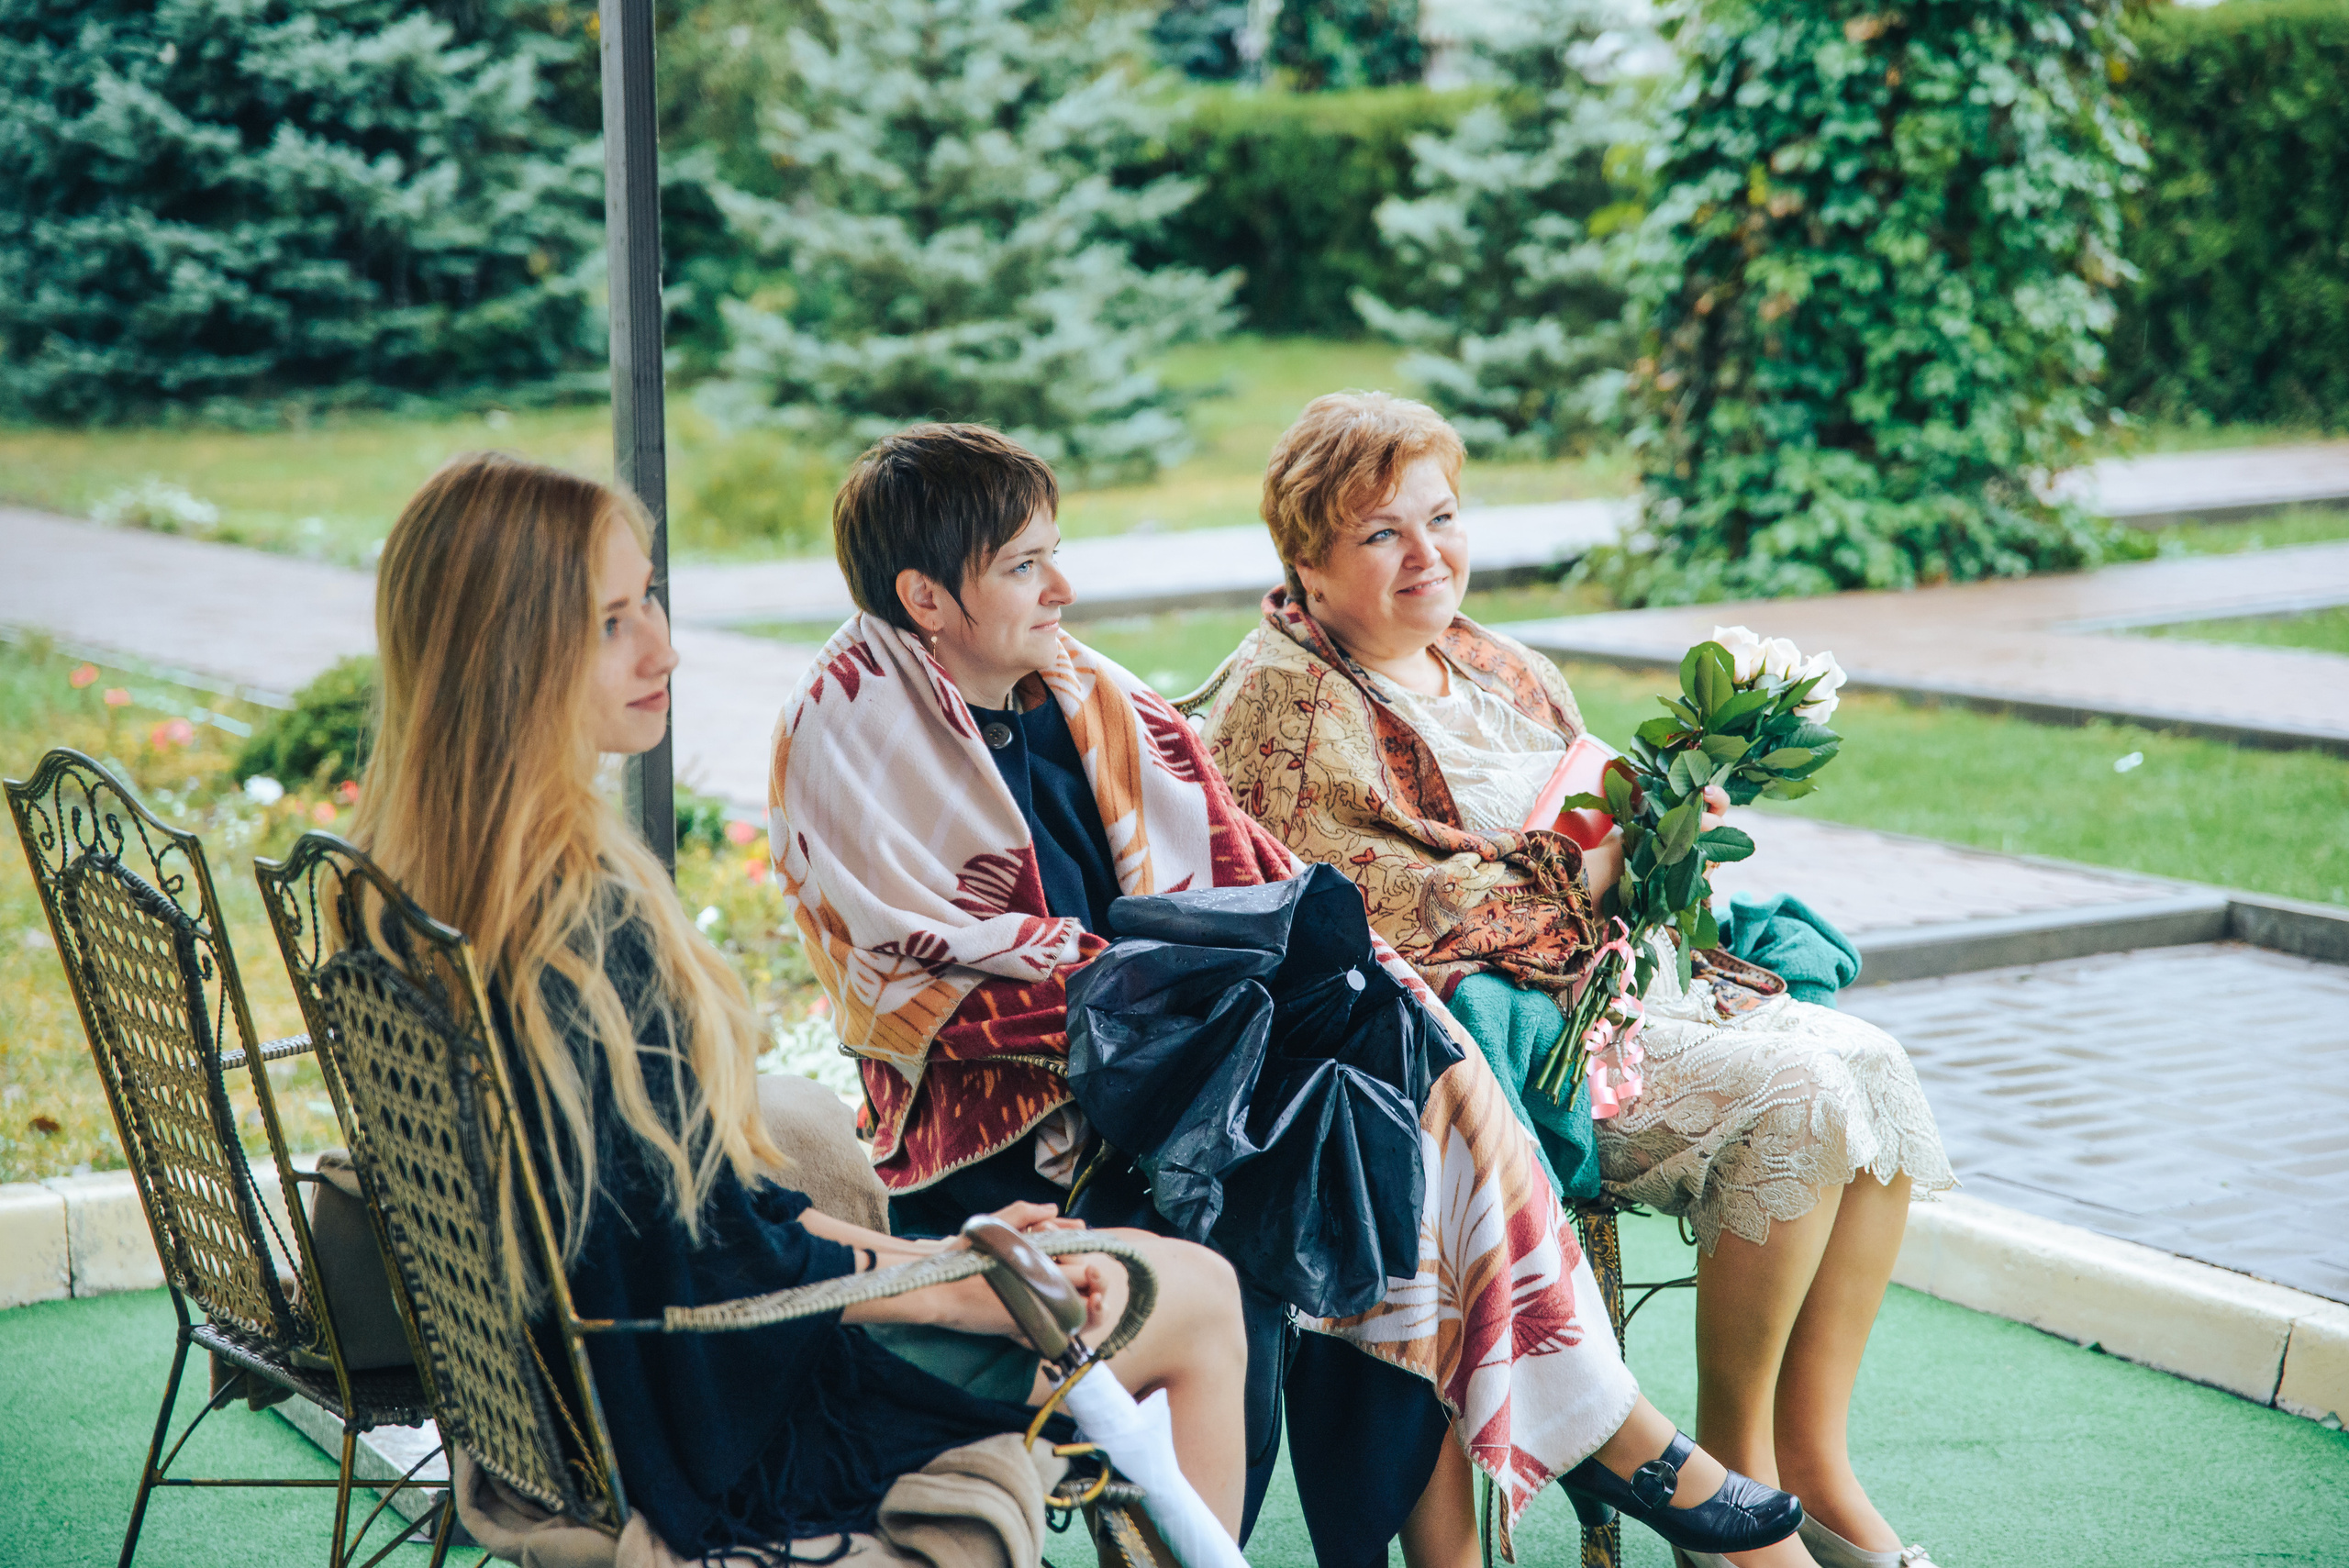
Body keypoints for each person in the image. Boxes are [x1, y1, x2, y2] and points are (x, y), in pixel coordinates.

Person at [767, 421, 1805, 1568]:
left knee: (1411, 1058)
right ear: (924, 597)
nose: (1064, 587)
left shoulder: (1086, 690)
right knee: (1366, 1145)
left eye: (1053, 552)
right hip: (1021, 1126)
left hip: (1184, 1066)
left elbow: (1248, 872)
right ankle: (1614, 1441)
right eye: (1025, 566)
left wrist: (1321, 980)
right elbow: (917, 992)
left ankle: (1553, 1469)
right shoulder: (848, 730)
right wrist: (1209, 992)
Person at [352, 450, 1251, 1560]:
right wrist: (954, 1287)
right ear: (503, 655)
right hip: (724, 1423)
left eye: (652, 603)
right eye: (611, 622)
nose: (663, 648)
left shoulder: (412, 885)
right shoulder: (577, 927)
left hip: (601, 1388)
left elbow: (693, 1219)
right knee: (1200, 1293)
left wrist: (959, 1245)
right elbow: (721, 1269)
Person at [1190, 393, 1957, 1568]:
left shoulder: (1502, 664)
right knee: (1797, 1095)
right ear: (1306, 554)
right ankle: (1731, 1483)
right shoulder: (1278, 703)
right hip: (1481, 1043)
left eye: (1441, 517)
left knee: (1871, 1064)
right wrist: (1592, 856)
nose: (1427, 553)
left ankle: (1805, 1460)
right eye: (1380, 533)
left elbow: (1597, 844)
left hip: (1611, 990)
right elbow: (1369, 912)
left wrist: (1665, 839)